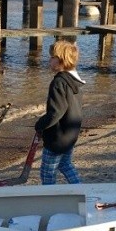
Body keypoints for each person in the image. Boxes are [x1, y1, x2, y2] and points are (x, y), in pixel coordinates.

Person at [34, 40, 85, 185]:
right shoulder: (74, 81)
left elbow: (56, 112)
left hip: (57, 137)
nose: (49, 60)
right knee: (65, 164)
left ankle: (50, 199)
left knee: (47, 172)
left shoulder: (58, 82)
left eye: (52, 57)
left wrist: (40, 125)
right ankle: (80, 189)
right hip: (71, 133)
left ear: (61, 60)